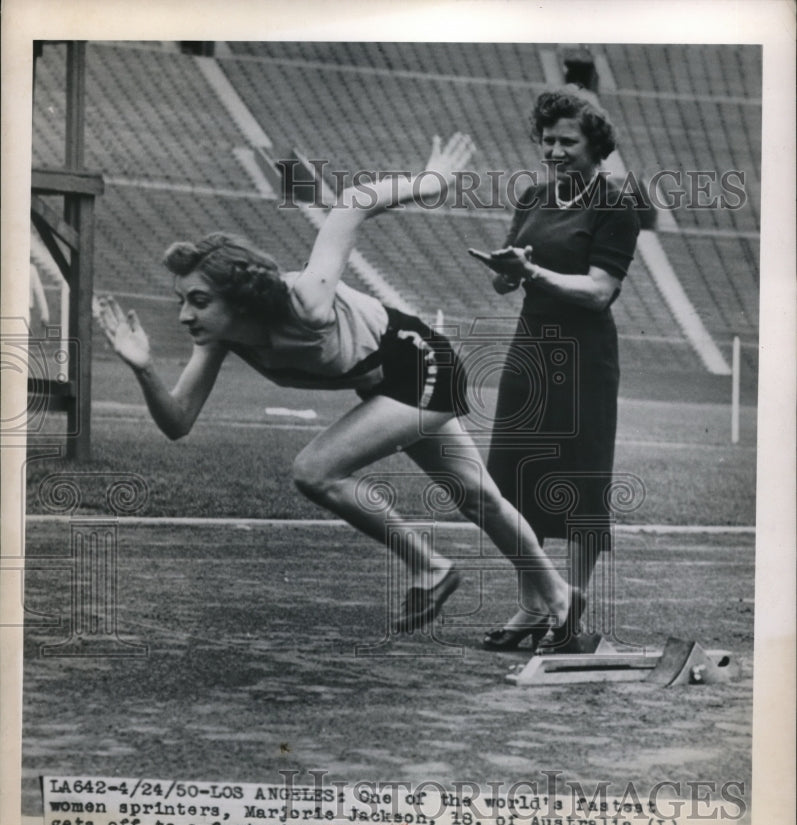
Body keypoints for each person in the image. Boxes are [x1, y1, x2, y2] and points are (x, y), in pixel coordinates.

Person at [97, 134, 578, 643]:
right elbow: (177, 422)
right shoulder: (219, 337)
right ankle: (560, 599)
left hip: (425, 363)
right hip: (389, 385)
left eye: (197, 300)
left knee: (315, 470)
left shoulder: (306, 299)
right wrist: (144, 368)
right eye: (182, 301)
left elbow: (351, 205)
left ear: (237, 298)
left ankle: (431, 568)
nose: (184, 315)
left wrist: (430, 182)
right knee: (480, 498)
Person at [472, 89, 640, 651]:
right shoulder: (533, 195)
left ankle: (573, 610)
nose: (554, 149)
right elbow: (510, 275)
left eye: (568, 140)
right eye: (547, 139)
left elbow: (597, 291)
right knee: (517, 482)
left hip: (585, 358)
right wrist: (506, 271)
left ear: (595, 146)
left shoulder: (616, 206)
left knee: (582, 486)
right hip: (531, 352)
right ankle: (534, 606)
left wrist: (533, 274)